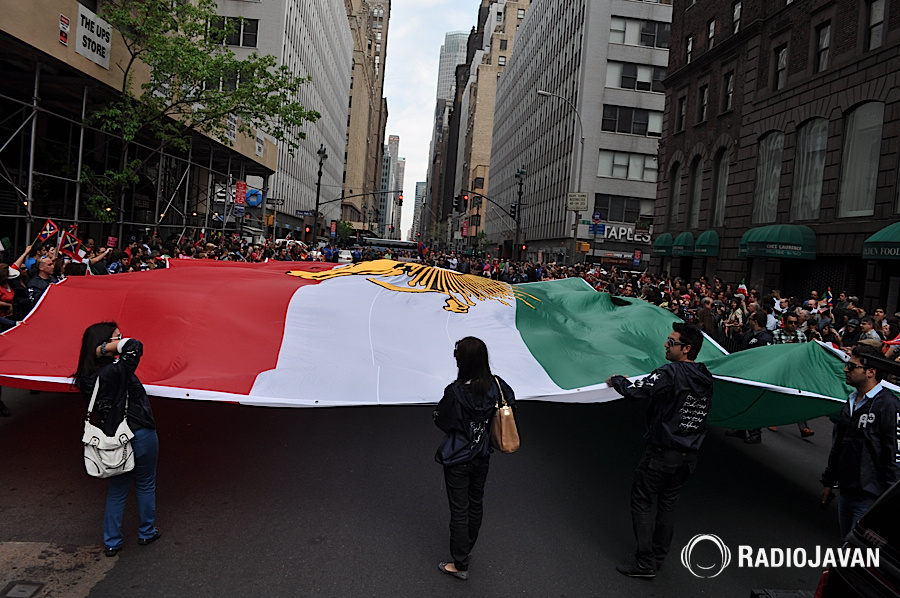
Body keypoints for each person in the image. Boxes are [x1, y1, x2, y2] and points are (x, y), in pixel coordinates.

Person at [606, 322, 714, 578]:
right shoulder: (705, 377)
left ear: (686, 349)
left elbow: (637, 390)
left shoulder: (671, 373)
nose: (666, 345)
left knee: (642, 502)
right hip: (687, 457)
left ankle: (644, 563)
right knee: (668, 505)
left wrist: (618, 380)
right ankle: (657, 557)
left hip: (662, 454)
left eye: (672, 342)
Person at [72, 322, 160, 557]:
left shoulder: (85, 377)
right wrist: (107, 347)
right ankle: (147, 531)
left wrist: (101, 350)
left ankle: (112, 541)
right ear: (102, 344)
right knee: (145, 483)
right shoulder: (116, 370)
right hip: (139, 432)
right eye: (115, 337)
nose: (121, 340)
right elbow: (135, 346)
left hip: (112, 439)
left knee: (118, 490)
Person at [433, 336, 515, 581]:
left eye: (457, 353)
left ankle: (460, 563)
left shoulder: (455, 392)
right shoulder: (497, 385)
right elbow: (509, 403)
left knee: (459, 509)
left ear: (464, 360)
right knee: (475, 502)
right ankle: (466, 548)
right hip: (482, 454)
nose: (454, 356)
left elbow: (442, 420)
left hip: (457, 457)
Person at [820, 344, 900, 538]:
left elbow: (894, 456)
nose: (845, 369)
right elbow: (838, 445)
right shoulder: (850, 401)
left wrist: (891, 503)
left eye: (852, 366)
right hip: (847, 492)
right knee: (846, 547)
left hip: (871, 497)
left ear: (871, 372)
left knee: (857, 553)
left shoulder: (888, 405)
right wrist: (829, 481)